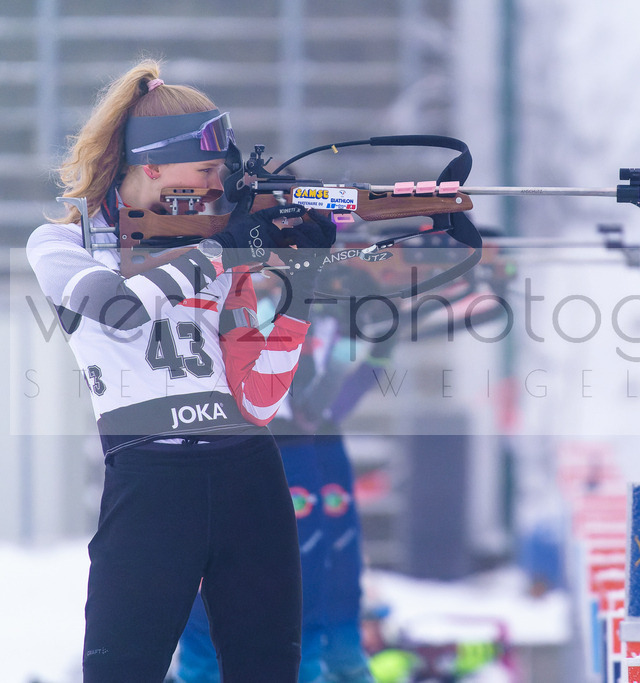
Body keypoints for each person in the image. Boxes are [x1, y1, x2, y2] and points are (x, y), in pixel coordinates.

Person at [25, 59, 335, 682]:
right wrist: (221, 250)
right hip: (151, 477)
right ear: (153, 166)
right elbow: (112, 309)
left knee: (269, 667)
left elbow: (259, 394)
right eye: (207, 170)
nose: (219, 184)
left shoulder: (214, 239)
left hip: (246, 468)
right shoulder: (62, 245)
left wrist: (305, 273)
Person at [177, 274, 398, 683]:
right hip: (258, 443)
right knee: (221, 615)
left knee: (298, 600)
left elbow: (323, 400)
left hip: (280, 445)